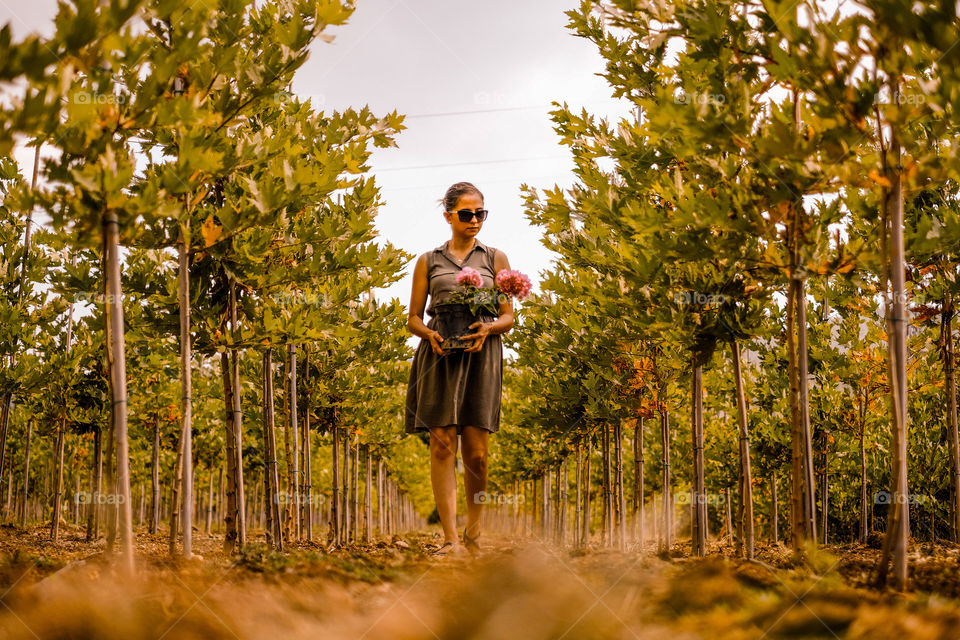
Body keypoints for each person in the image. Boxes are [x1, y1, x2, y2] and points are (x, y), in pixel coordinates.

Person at [404, 181, 514, 557]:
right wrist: (429, 336)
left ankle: (474, 531)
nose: (474, 220)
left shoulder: (495, 258)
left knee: (478, 452)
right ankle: (450, 538)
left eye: (480, 213)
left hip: (482, 354)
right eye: (466, 214)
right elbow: (414, 319)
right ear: (448, 215)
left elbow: (507, 317)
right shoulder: (429, 261)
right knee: (441, 445)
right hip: (440, 352)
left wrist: (489, 327)